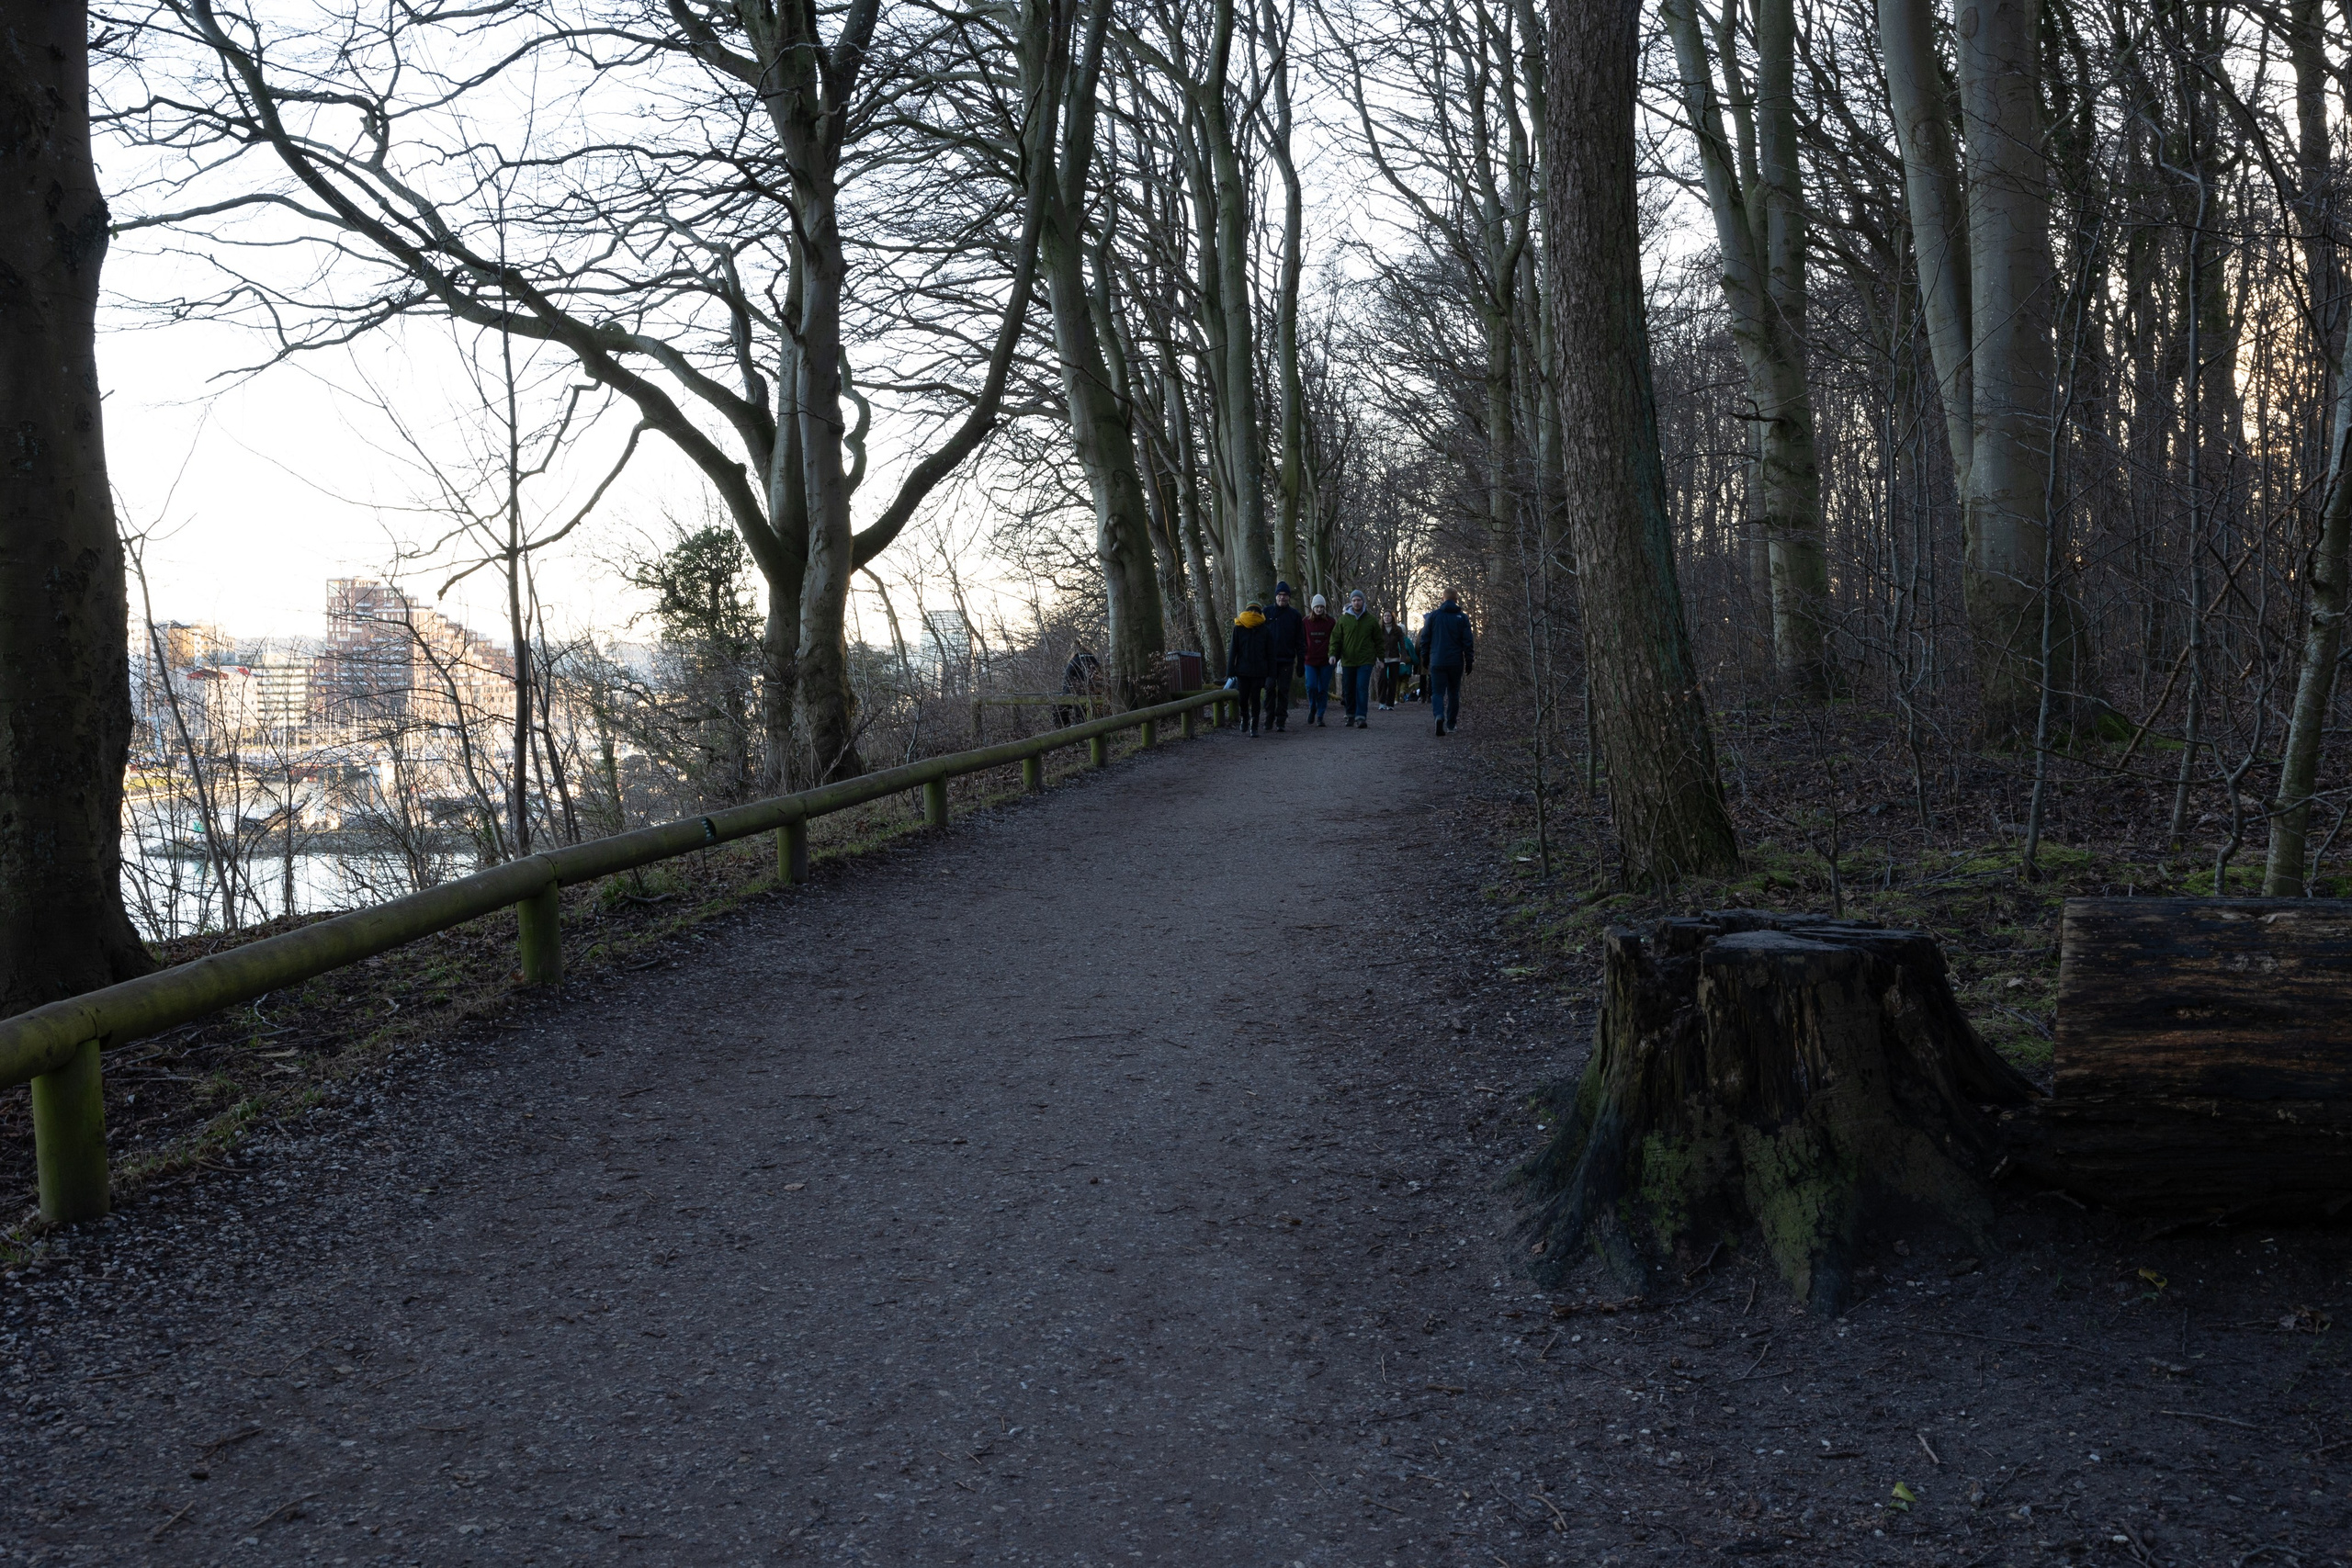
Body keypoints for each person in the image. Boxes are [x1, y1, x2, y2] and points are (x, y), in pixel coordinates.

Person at [1417, 588, 1475, 737]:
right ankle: (1451, 724)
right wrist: (1469, 661)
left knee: (1437, 692)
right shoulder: (1462, 618)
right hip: (1456, 661)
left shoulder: (1434, 616)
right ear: (1457, 599)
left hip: (1437, 660)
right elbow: (1468, 642)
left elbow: (1425, 639)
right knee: (1454, 693)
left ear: (1443, 599)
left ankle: (1438, 715)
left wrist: (1425, 658)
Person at [1333, 589, 1383, 728]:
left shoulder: (1371, 620)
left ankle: (1361, 716)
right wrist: (1332, 655)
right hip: (1348, 660)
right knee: (1348, 689)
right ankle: (1350, 714)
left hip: (1365, 660)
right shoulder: (1343, 620)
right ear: (1351, 602)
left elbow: (1378, 641)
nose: (1356, 603)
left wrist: (1381, 658)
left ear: (1363, 601)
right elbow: (1336, 639)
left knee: (1361, 687)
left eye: (1359, 600)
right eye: (1354, 600)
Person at [1261, 581, 1305, 731]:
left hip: (1287, 660)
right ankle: (1268, 717)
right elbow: (1260, 637)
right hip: (1269, 661)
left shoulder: (1295, 616)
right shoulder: (1266, 613)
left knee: (1284, 691)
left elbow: (1300, 641)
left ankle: (1281, 720)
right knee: (1269, 688)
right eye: (1280, 595)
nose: (1282, 598)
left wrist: (1301, 662)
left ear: (1289, 597)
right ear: (1276, 596)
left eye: (1285, 595)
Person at [1226, 602, 1272, 735]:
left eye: (1255, 612)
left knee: (1256, 697)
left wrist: (1271, 673)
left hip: (1259, 671)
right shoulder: (1238, 628)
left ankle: (1254, 725)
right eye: (1251, 611)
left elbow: (1270, 653)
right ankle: (1245, 717)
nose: (1253, 614)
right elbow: (1233, 650)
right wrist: (1230, 670)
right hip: (1243, 671)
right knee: (1243, 698)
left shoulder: (1265, 630)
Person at [1300, 592, 1337, 726]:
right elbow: (1302, 639)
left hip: (1326, 661)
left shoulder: (1331, 622)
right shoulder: (1305, 622)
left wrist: (1334, 656)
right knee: (1311, 686)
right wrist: (1303, 653)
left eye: (1321, 607)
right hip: (1310, 660)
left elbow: (1335, 640)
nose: (1319, 609)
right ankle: (1312, 707)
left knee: (1323, 689)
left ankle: (1320, 715)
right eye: (1317, 607)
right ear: (1312, 608)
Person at [1378, 610, 1411, 709]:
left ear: (1392, 618)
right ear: (1382, 617)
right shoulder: (1379, 629)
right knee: (1382, 680)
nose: (1387, 617)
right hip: (1383, 658)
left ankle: (1390, 704)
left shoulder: (1397, 630)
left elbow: (1402, 645)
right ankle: (1382, 702)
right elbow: (1376, 643)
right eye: (1385, 616)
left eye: (1388, 616)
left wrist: (1403, 659)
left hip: (1394, 658)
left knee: (1393, 681)